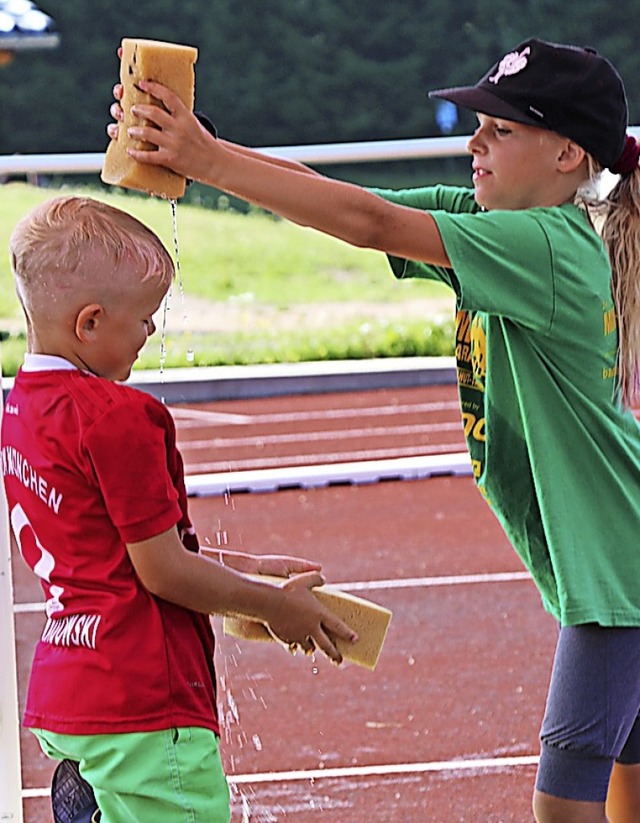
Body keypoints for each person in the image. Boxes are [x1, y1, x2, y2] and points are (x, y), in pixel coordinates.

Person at [107, 36, 640, 823]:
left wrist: (209, 161)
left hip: (621, 585)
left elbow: (363, 221)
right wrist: (203, 151)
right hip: (616, 567)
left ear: (567, 153)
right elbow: (342, 197)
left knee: (564, 806)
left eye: (501, 129)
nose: (474, 141)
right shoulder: (505, 226)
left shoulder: (544, 244)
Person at [1, 195, 357, 823]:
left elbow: (111, 545)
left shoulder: (21, 411)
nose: (153, 332)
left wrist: (241, 567)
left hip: (71, 691)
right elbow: (160, 572)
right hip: (143, 702)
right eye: (144, 318)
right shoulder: (118, 415)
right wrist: (274, 607)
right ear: (89, 323)